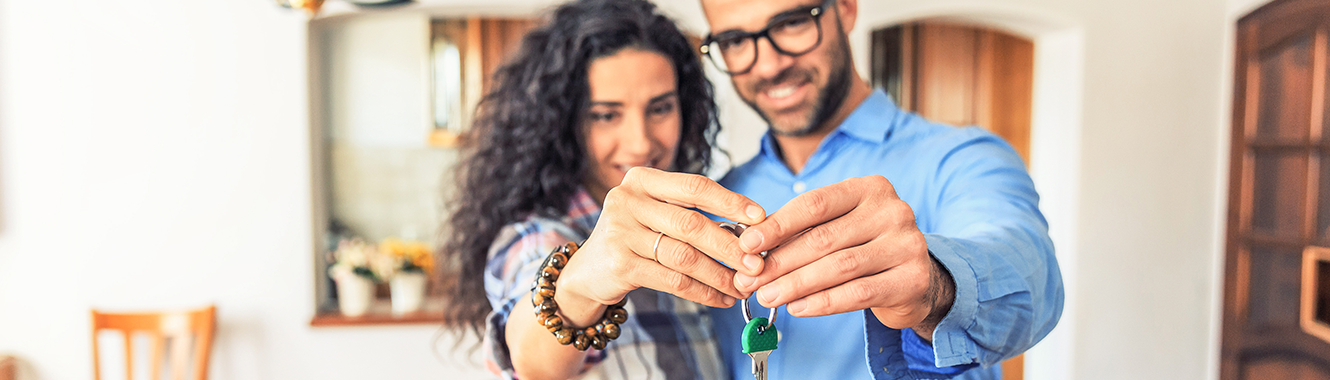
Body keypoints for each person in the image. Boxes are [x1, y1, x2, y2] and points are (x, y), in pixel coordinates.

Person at [693, 0, 1066, 379]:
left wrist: (936, 285)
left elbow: (1032, 277)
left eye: (791, 23)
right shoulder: (716, 201)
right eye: (736, 40)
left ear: (846, 8)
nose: (770, 64)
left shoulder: (961, 157)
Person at [440, 1, 769, 379]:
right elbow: (532, 362)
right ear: (564, 124)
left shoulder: (694, 227)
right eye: (606, 115)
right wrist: (576, 292)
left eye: (659, 108)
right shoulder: (535, 237)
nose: (641, 142)